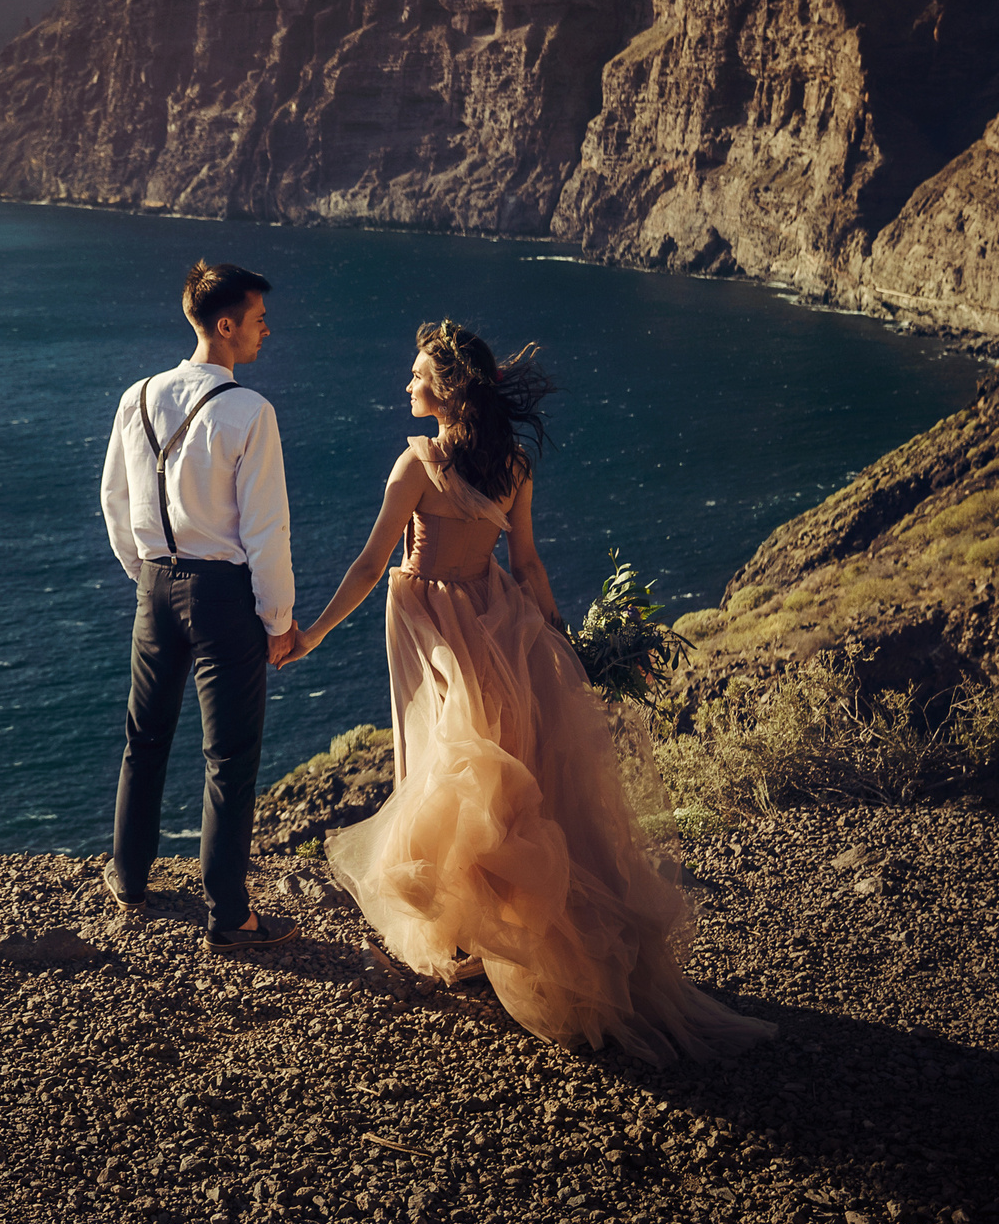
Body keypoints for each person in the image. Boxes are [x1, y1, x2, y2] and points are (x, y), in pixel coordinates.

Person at [284, 321, 773, 1063]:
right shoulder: (512, 463)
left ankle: (468, 935)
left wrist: (313, 634)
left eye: (417, 376)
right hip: (499, 619)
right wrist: (559, 642)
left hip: (433, 620)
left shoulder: (414, 464)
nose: (406, 386)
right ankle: (483, 931)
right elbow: (530, 563)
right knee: (502, 771)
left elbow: (367, 563)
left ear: (446, 392)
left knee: (449, 766)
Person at [98, 260, 302, 951]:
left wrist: (146, 573)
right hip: (223, 597)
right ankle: (229, 914)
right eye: (258, 319)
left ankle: (128, 879)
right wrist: (279, 621)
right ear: (226, 325)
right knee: (229, 756)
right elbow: (266, 530)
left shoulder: (138, 395)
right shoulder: (251, 412)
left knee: (143, 738)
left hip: (155, 586)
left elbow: (115, 502)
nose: (266, 330)